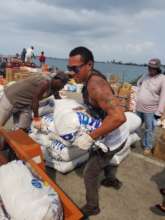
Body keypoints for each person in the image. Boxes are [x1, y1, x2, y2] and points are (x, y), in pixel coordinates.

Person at [67, 46, 129, 217]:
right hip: (112, 134)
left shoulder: (95, 85)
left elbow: (119, 117)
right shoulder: (90, 78)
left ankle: (93, 206)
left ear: (89, 65)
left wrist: (90, 136)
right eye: (69, 68)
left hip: (112, 136)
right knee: (104, 159)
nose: (72, 73)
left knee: (89, 173)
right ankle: (111, 178)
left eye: (75, 68)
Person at [0, 71, 69, 131]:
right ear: (57, 79)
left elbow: (58, 99)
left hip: (26, 104)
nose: (62, 87)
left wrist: (66, 109)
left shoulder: (55, 88)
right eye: (63, 84)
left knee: (23, 128)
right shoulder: (45, 82)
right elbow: (35, 100)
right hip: (11, 98)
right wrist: (36, 118)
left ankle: (15, 142)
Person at [136, 58, 165, 155]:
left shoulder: (162, 79)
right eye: (149, 67)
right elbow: (138, 83)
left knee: (150, 129)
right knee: (136, 126)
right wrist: (140, 91)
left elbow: (163, 96)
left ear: (158, 69)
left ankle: (148, 146)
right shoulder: (145, 75)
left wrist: (158, 113)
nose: (151, 70)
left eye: (153, 68)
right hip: (139, 107)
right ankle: (132, 141)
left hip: (151, 110)